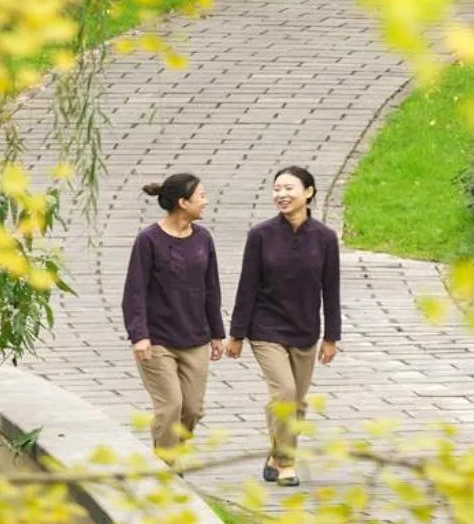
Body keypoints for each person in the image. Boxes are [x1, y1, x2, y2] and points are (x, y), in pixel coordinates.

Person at [226, 164, 340, 487]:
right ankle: (286, 463)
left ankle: (275, 453)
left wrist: (331, 336)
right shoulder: (260, 236)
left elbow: (331, 289)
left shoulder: (325, 238)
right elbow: (247, 286)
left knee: (295, 403)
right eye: (277, 189)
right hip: (266, 328)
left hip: (305, 330)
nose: (281, 195)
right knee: (285, 392)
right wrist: (237, 334)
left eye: (289, 189)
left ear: (309, 192)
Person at [123, 171, 224, 456]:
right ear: (183, 202)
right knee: (170, 407)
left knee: (191, 409)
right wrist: (139, 336)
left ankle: (171, 453)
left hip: (196, 338)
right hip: (158, 340)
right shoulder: (149, 240)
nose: (205, 202)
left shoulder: (203, 238)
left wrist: (217, 333)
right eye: (201, 197)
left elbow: (211, 287)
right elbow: (134, 291)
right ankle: (166, 470)